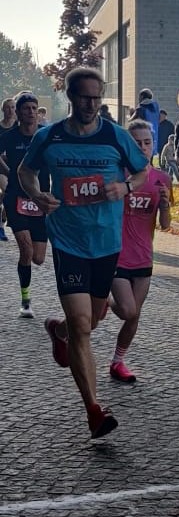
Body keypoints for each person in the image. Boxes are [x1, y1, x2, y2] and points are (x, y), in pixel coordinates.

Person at [19, 67, 149, 438]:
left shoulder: (115, 136)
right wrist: (36, 194)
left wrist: (125, 187)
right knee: (81, 325)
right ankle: (94, 409)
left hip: (106, 243)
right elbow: (26, 172)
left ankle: (57, 331)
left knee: (90, 320)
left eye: (96, 97)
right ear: (71, 97)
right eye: (84, 97)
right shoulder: (49, 136)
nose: (91, 104)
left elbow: (142, 172)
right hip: (67, 240)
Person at [107, 119, 172, 383]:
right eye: (137, 143)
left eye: (147, 143)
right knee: (127, 310)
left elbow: (165, 224)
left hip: (144, 257)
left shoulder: (162, 179)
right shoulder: (116, 176)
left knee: (134, 315)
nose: (143, 148)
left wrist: (166, 206)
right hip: (116, 254)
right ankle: (105, 303)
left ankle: (117, 362)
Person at [1, 93, 47, 317]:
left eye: (34, 108)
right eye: (26, 108)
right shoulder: (9, 137)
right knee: (26, 249)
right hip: (15, 197)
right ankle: (26, 301)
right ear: (18, 113)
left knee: (38, 258)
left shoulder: (45, 136)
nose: (31, 112)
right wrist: (8, 171)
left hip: (40, 199)